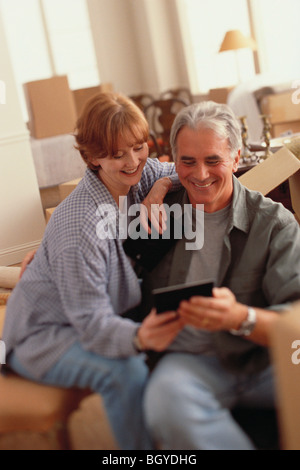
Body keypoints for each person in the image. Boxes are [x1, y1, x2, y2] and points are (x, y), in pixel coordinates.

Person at [1, 92, 184, 450]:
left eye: (138, 146)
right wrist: (139, 338)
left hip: (84, 316)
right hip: (43, 337)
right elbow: (90, 322)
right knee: (126, 370)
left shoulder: (140, 177)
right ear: (93, 158)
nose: (133, 161)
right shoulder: (81, 225)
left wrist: (159, 188)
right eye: (117, 154)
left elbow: (184, 170)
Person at [125, 100, 300, 450]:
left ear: (236, 159)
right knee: (165, 401)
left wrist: (241, 317)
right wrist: (49, 250)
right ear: (174, 163)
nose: (200, 174)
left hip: (265, 360)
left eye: (214, 160)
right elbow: (101, 253)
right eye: (188, 161)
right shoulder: (156, 215)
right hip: (191, 364)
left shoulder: (274, 223)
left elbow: (296, 318)